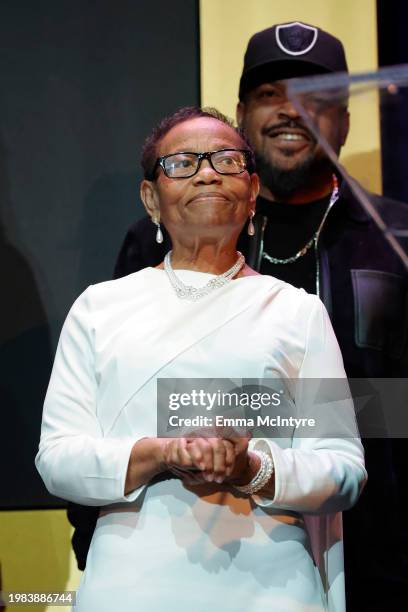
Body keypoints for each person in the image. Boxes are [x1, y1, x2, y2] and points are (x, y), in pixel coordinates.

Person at [107, 23, 408, 610]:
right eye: (271, 94)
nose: (290, 111)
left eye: (315, 97)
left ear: (346, 120)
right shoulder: (155, 241)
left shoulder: (396, 240)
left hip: (379, 553)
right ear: (242, 115)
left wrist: (249, 407)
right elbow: (117, 402)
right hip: (188, 554)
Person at [37, 107, 366, 612]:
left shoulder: (296, 311)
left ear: (253, 191)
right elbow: (58, 459)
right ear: (151, 198)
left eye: (226, 160)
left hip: (273, 590)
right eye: (183, 163)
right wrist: (161, 453)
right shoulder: (100, 309)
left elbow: (343, 468)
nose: (207, 172)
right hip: (130, 587)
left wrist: (250, 467)